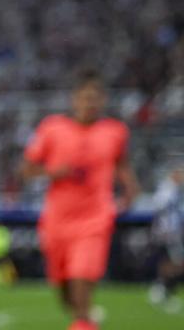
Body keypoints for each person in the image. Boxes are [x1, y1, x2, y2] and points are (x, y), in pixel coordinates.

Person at [22, 69, 139, 330]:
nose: (90, 104)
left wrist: (130, 190)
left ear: (103, 101)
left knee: (81, 276)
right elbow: (26, 171)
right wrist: (52, 172)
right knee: (64, 290)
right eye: (85, 98)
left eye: (95, 98)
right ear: (74, 100)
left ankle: (84, 321)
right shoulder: (52, 128)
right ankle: (83, 317)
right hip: (57, 220)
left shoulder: (115, 131)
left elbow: (122, 164)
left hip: (95, 218)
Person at [147, 163, 183, 313]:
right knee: (174, 261)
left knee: (169, 261)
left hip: (173, 231)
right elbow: (161, 209)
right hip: (168, 231)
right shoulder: (166, 190)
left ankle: (163, 289)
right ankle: (162, 289)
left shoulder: (174, 190)